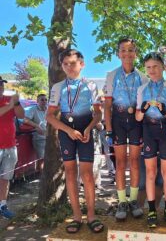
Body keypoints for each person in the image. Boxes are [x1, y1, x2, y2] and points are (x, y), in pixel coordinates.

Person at [46, 49, 104, 233]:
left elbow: (98, 113)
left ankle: (92, 216)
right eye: (65, 64)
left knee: (87, 175)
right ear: (61, 66)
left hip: (86, 132)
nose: (69, 67)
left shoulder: (91, 85)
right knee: (70, 174)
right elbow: (50, 116)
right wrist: (68, 131)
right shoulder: (57, 87)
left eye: (73, 63)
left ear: (82, 64)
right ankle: (77, 216)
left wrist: (89, 128)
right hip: (66, 132)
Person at [104, 38, 148, 220]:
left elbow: (145, 106)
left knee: (135, 162)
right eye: (123, 50)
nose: (127, 53)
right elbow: (107, 105)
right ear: (118, 54)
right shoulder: (112, 75)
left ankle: (133, 200)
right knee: (121, 162)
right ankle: (122, 200)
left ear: (136, 54)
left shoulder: (143, 77)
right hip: (118, 119)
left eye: (131, 50)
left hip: (136, 120)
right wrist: (108, 130)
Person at [135, 52, 166, 227]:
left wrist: (164, 112)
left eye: (155, 66)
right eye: (148, 67)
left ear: (162, 67)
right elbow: (138, 118)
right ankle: (152, 208)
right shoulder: (142, 89)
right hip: (148, 130)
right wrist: (143, 110)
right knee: (151, 172)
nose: (152, 70)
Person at [0, 76, 24, 219]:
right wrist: (9, 105)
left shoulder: (8, 101)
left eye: (2, 84)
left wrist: (17, 102)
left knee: (5, 178)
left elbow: (21, 115)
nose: (1, 87)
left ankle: (2, 206)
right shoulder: (6, 104)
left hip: (10, 146)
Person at [24, 93, 47, 160]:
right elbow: (25, 120)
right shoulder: (33, 109)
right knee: (41, 159)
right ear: (37, 101)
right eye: (42, 100)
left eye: (46, 100)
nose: (44, 101)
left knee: (49, 158)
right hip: (39, 138)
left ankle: (40, 170)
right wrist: (37, 126)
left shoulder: (48, 109)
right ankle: (40, 170)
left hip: (49, 138)